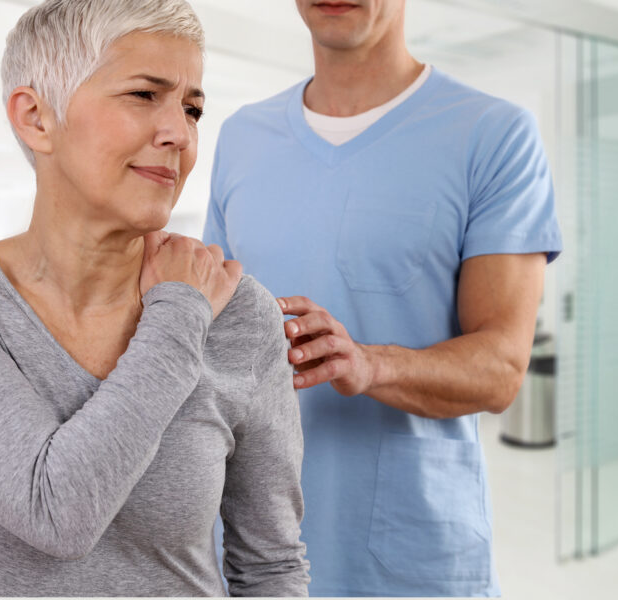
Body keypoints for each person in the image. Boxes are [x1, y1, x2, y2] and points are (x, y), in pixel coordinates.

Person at [0, 0, 308, 596]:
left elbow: (271, 566)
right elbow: (55, 513)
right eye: (143, 95)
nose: (179, 134)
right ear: (35, 118)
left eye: (192, 109)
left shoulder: (238, 312)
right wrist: (178, 312)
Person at [203, 0, 562, 596]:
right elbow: (216, 341)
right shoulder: (241, 137)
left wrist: (369, 364)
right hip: (249, 556)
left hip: (410, 560)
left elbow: (501, 369)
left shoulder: (494, 134)